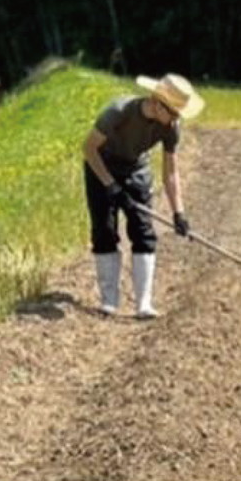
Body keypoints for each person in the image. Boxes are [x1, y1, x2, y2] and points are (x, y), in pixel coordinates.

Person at [82, 73, 203, 318]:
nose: (177, 119)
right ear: (158, 104)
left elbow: (170, 171)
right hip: (101, 166)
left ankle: (144, 304)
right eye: (174, 112)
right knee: (104, 230)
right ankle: (109, 302)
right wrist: (111, 186)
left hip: (135, 169)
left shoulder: (171, 128)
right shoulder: (118, 112)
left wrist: (178, 212)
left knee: (143, 232)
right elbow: (88, 148)